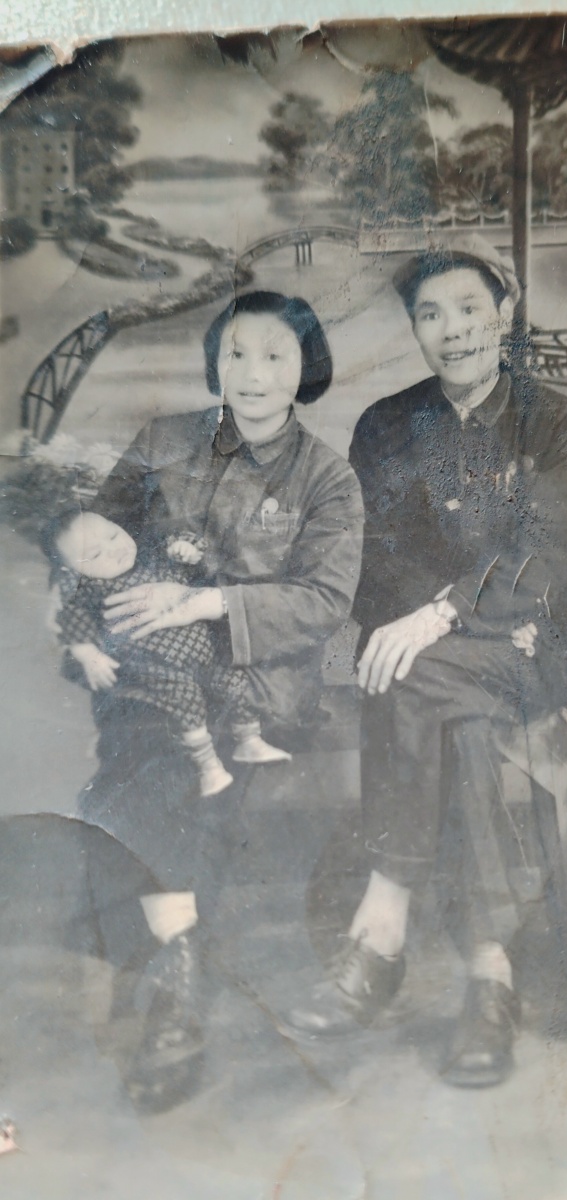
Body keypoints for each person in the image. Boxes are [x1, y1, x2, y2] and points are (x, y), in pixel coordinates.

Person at [286, 236, 567, 1087]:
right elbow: (371, 559)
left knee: (415, 676)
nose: (451, 330)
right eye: (429, 314)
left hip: (530, 643)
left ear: (504, 313)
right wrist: (423, 625)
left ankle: (382, 925)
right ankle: (490, 978)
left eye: (467, 309)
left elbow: (544, 556)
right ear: (414, 329)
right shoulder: (387, 424)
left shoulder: (552, 420)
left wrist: (442, 615)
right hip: (430, 657)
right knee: (445, 707)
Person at [81, 289, 364, 1111]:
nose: (253, 373)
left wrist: (203, 604)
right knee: (143, 761)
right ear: (215, 361)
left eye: (276, 355)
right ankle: (174, 961)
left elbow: (323, 602)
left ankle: (174, 989)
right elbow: (90, 543)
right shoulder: (162, 442)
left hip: (258, 683)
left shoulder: (327, 479)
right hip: (153, 670)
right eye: (236, 353)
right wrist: (116, 611)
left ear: (307, 368)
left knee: (167, 773)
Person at [44, 509, 290, 799]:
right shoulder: (91, 588)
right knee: (187, 707)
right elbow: (72, 617)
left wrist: (186, 550)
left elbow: (191, 561)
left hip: (204, 650)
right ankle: (209, 768)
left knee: (234, 683)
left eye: (113, 535)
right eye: (95, 555)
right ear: (74, 571)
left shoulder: (152, 554)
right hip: (158, 667)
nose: (114, 550)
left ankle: (249, 740)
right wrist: (88, 655)